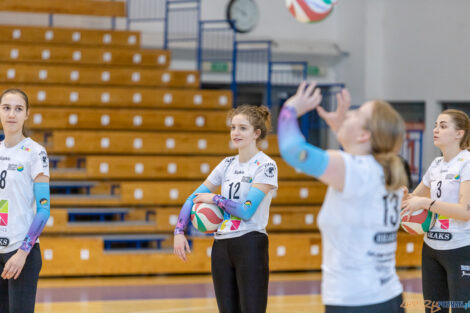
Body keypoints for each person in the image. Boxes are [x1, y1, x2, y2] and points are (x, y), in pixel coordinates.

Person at [277, 82, 407, 313]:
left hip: (356, 302)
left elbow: (292, 150)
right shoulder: (383, 170)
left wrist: (290, 108)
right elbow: (356, 158)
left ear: (365, 134)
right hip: (388, 298)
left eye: (356, 113)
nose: (348, 113)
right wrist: (342, 128)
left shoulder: (354, 171)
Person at [173, 104, 278, 313]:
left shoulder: (266, 165)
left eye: (242, 128)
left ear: (256, 133)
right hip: (222, 246)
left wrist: (216, 199)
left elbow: (247, 211)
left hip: (250, 243)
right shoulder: (226, 164)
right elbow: (191, 199)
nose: (235, 133)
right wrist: (178, 231)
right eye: (233, 127)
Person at [401, 109, 470, 313]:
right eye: (435, 125)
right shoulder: (436, 164)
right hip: (431, 248)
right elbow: (413, 199)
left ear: (459, 133)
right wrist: (403, 196)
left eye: (443, 126)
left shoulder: (467, 163)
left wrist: (426, 203)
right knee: (433, 310)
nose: (435, 130)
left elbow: (465, 212)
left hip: (460, 249)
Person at [0, 88, 50, 313]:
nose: (12, 114)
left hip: (22, 254)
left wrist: (22, 253)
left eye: (18, 109)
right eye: (6, 108)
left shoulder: (35, 152)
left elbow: (43, 211)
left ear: (27, 114)